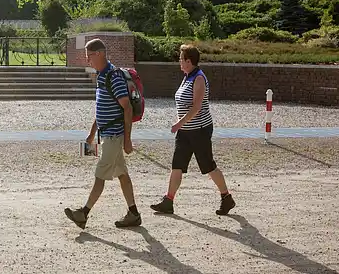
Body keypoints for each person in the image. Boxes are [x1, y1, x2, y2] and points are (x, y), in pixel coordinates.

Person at [150, 44, 236, 216]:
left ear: (189, 61)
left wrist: (178, 123)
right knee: (177, 165)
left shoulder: (199, 78)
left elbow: (196, 107)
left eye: (181, 59)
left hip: (200, 130)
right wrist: (181, 124)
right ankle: (168, 201)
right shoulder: (187, 77)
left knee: (208, 166)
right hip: (185, 131)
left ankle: (226, 197)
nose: (179, 62)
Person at [64, 38, 141, 229]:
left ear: (99, 54)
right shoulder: (102, 76)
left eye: (89, 56)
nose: (87, 60)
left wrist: (127, 140)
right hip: (107, 135)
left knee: (100, 175)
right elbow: (102, 109)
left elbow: (127, 108)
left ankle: (83, 213)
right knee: (122, 174)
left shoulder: (113, 77)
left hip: (114, 136)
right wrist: (91, 135)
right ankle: (133, 213)